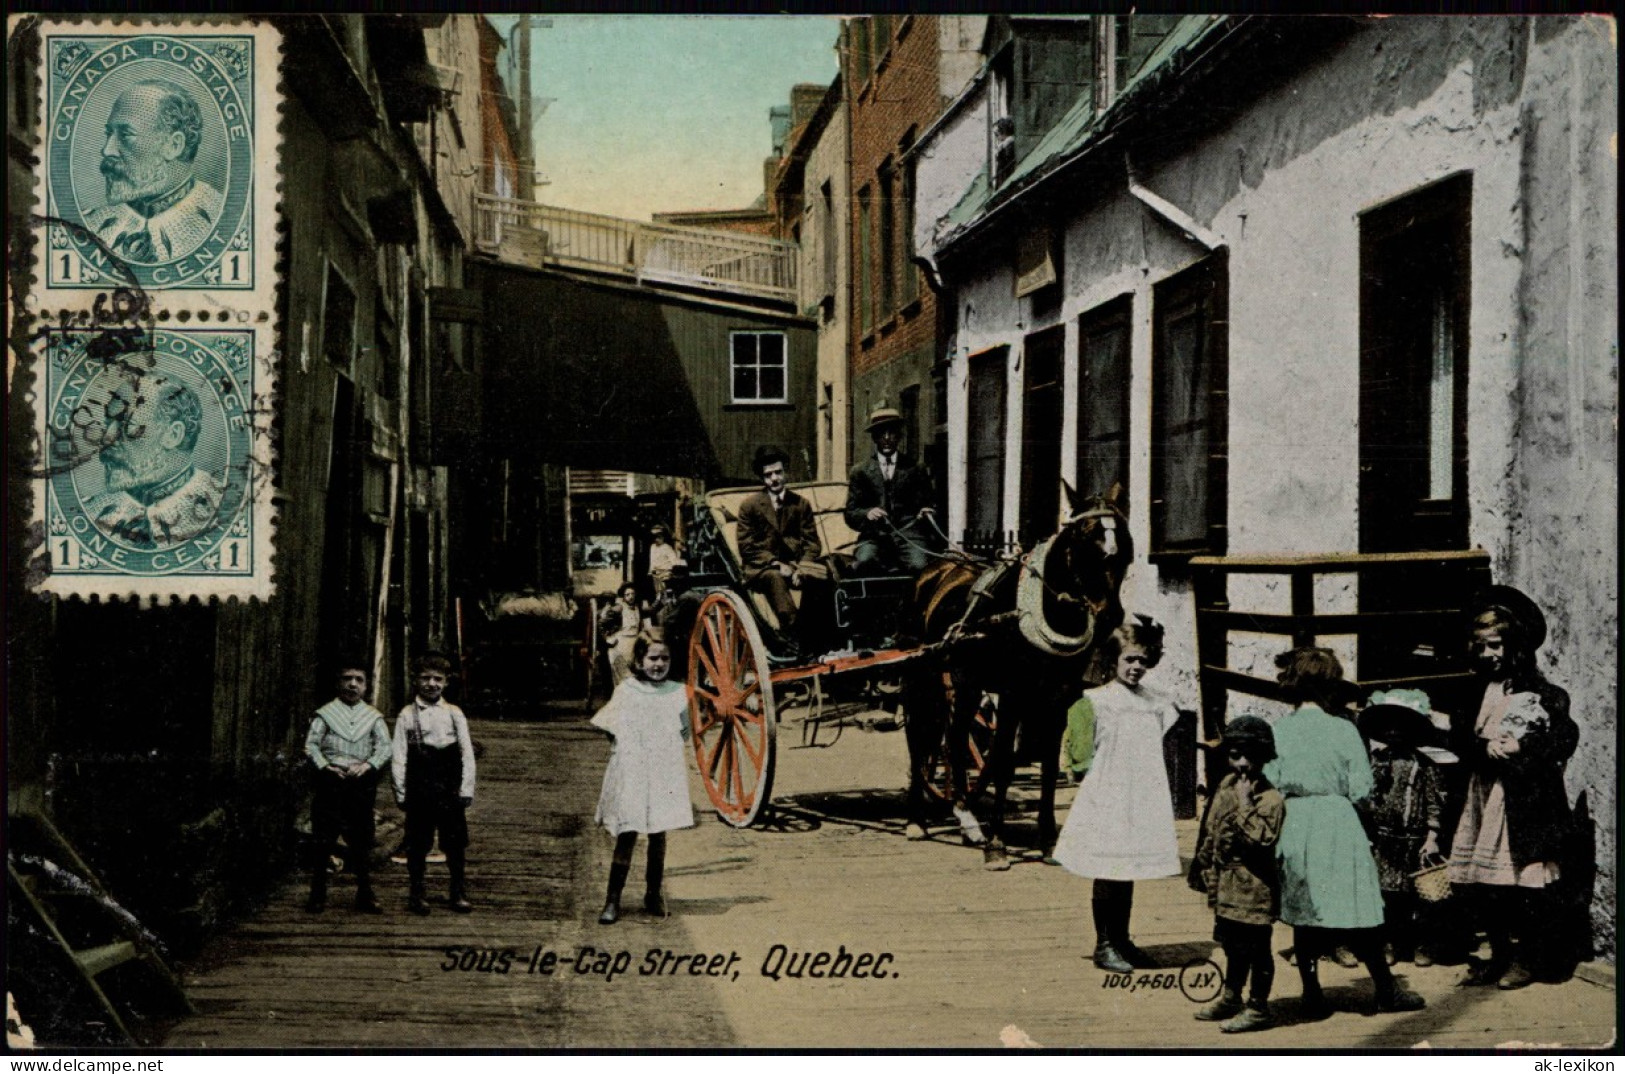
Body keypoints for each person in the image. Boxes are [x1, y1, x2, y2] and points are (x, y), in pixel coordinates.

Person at [1266, 647, 1425, 1018]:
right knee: (1360, 912)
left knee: (1306, 914)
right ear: (1328, 687)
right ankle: (1386, 989)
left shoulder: (1280, 730)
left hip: (1297, 821)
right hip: (1337, 822)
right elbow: (1361, 789)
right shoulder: (1343, 729)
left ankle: (1311, 995)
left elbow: (1271, 779)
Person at [1447, 586, 1577, 990]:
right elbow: (1459, 740)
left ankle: (1525, 957)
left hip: (1522, 803)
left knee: (1521, 883)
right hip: (1483, 797)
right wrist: (1482, 746)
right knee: (1486, 886)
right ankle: (1498, 954)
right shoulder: (1472, 693)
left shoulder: (1545, 695)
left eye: (1497, 646)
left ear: (1516, 645)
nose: (1489, 655)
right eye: (1482, 647)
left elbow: (1564, 739)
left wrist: (1523, 745)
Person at [1051, 616, 1183, 973]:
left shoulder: (1157, 703)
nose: (1136, 667)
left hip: (1141, 795)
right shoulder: (1095, 702)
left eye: (1142, 660)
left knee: (1127, 869)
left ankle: (1123, 939)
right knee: (1108, 869)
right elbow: (1079, 757)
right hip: (1108, 794)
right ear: (1114, 661)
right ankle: (1104, 943)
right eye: (1129, 660)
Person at [1190, 716, 1286, 1033]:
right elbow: (1213, 827)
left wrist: (1246, 804)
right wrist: (1203, 864)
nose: (1242, 763)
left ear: (1264, 757)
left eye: (1250, 756)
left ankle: (1258, 1007)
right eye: (1235, 755)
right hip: (1226, 883)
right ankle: (1231, 996)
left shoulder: (1270, 799)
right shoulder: (1226, 785)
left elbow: (1261, 839)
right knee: (1232, 944)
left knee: (1257, 947)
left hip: (1255, 885)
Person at [590, 637, 693, 924]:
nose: (658, 664)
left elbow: (684, 730)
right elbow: (609, 725)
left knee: (658, 833)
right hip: (633, 768)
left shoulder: (678, 693)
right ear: (639, 661)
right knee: (628, 831)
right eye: (652, 659)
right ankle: (612, 900)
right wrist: (627, 748)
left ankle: (652, 894)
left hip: (662, 770)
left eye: (664, 659)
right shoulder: (627, 691)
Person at [1358, 689, 1452, 966]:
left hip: (1416, 838)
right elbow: (1369, 796)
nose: (1393, 732)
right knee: (1387, 894)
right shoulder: (1377, 761)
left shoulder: (1423, 763)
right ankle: (1389, 943)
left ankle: (1422, 945)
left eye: (1401, 726)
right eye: (1388, 727)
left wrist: (1433, 836)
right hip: (1385, 838)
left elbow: (1435, 800)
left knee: (1420, 896)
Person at [83, 80, 225, 264]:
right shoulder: (92, 224)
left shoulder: (219, 220)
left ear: (173, 146)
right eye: (109, 134)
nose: (107, 150)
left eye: (126, 135)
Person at [83, 372, 226, 548]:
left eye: (128, 426)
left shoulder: (225, 509)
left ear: (173, 435)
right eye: (108, 423)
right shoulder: (89, 513)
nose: (107, 438)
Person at [392, 653, 477, 915]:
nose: (431, 684)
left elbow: (467, 753)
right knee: (418, 842)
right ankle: (417, 893)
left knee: (454, 842)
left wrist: (466, 788)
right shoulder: (407, 715)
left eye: (437, 679)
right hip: (421, 785)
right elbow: (399, 756)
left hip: (449, 785)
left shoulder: (454, 714)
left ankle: (457, 891)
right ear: (415, 681)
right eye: (425, 678)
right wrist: (401, 791)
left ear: (446, 683)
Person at [303, 663, 391, 914]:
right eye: (347, 678)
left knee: (361, 840)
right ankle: (317, 893)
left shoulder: (373, 717)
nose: (352, 684)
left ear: (366, 685)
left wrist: (369, 765)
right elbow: (311, 746)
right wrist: (325, 767)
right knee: (323, 838)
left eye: (359, 680)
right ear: (338, 683)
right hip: (331, 781)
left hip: (359, 784)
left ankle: (365, 893)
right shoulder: (326, 714)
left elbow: (385, 747)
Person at [735, 445, 831, 659]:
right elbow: (747, 546)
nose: (774, 479)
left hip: (796, 566)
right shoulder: (749, 506)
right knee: (775, 577)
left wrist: (803, 568)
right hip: (762, 570)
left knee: (822, 577)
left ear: (785, 472)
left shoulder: (800, 504)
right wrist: (777, 564)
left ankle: (820, 639)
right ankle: (792, 637)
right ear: (762, 478)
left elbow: (812, 542)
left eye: (778, 472)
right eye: (768, 475)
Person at [843, 406, 938, 576]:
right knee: (864, 563)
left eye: (892, 432)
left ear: (899, 436)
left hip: (910, 536)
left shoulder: (915, 468)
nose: (887, 438)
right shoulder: (860, 471)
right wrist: (867, 513)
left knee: (921, 567)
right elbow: (850, 513)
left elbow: (929, 503)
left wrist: (925, 511)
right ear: (874, 437)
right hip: (874, 537)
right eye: (881, 433)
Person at [598, 581, 645, 687]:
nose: (631, 597)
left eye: (633, 594)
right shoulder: (619, 608)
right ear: (623, 596)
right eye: (627, 594)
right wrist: (607, 638)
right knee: (621, 676)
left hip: (634, 643)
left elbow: (650, 612)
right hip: (621, 643)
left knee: (634, 674)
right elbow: (601, 623)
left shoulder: (637, 608)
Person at [646, 524, 685, 596]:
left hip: (665, 573)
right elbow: (652, 560)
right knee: (658, 594)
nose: (656, 539)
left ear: (663, 537)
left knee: (665, 593)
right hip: (655, 575)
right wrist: (650, 571)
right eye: (655, 537)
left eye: (659, 537)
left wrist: (681, 559)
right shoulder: (653, 547)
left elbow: (674, 561)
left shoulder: (667, 547)